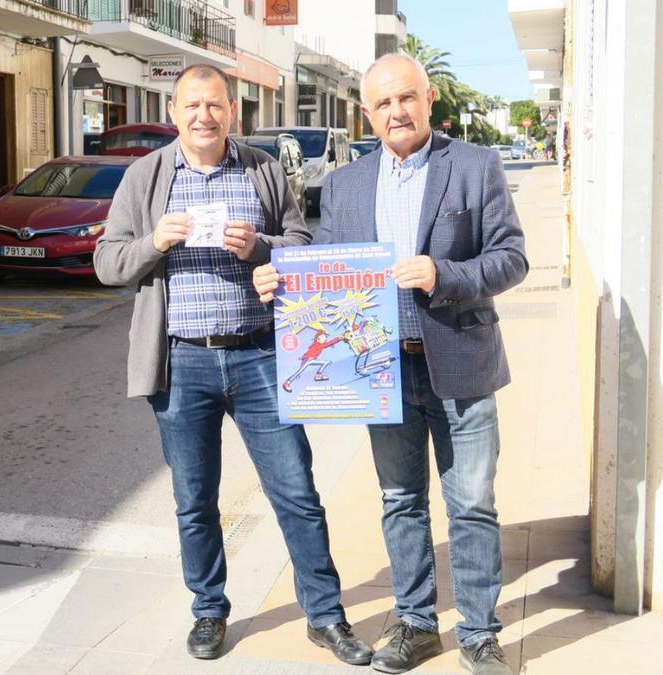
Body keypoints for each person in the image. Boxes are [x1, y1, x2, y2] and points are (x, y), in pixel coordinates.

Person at [255, 53, 528, 675]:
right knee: (401, 500)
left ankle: (481, 632)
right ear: (367, 114)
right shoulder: (347, 184)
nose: (396, 111)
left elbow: (511, 258)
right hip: (379, 370)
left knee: (472, 503)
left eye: (406, 98)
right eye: (382, 104)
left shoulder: (475, 167)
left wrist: (445, 274)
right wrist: (284, 282)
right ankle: (416, 623)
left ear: (429, 99)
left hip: (460, 363)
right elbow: (325, 264)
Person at [93, 64, 372, 666]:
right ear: (175, 112)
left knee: (297, 491)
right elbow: (108, 263)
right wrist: (155, 243)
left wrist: (262, 247)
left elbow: (304, 244)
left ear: (232, 113)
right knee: (194, 498)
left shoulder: (263, 169)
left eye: (215, 105)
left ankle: (325, 616)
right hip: (182, 362)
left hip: (260, 355)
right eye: (192, 105)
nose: (204, 116)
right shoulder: (146, 177)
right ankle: (209, 611)